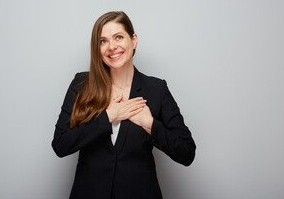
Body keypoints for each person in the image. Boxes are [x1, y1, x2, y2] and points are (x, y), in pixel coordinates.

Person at [52, 11, 196, 199]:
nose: (111, 47)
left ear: (133, 40)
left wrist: (150, 124)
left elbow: (187, 153)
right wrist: (108, 116)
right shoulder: (81, 85)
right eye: (103, 41)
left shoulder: (156, 89)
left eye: (118, 37)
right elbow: (60, 145)